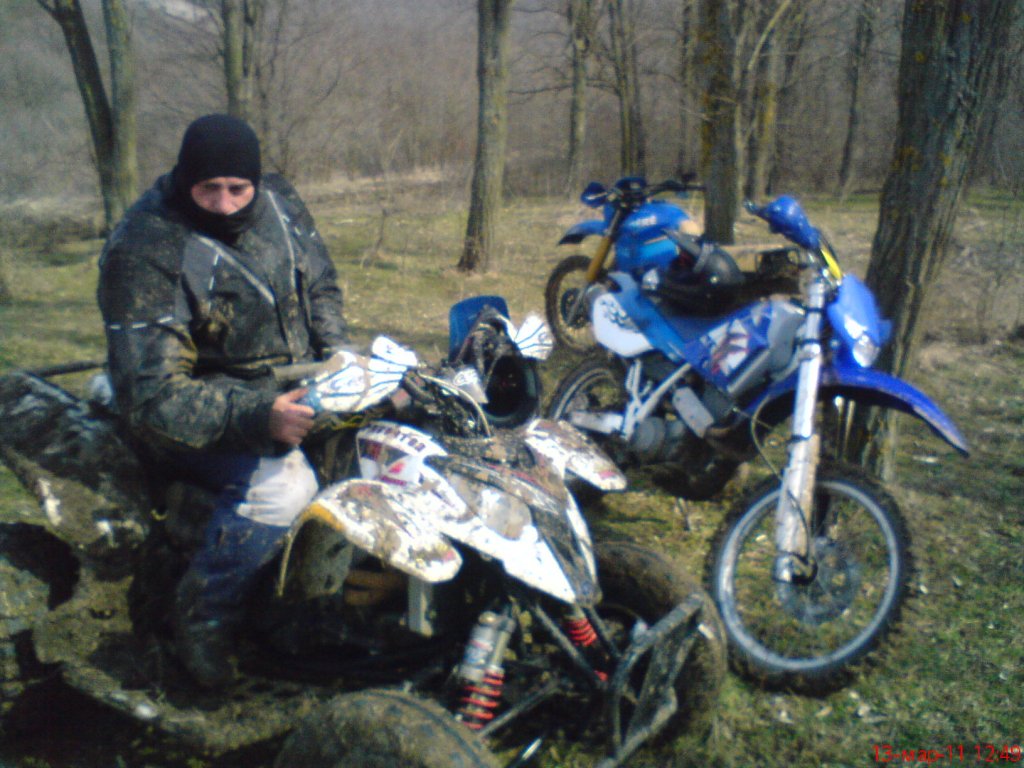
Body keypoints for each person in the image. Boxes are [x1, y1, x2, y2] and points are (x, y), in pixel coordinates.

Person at [97, 114, 349, 688]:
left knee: (378, 453)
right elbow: (151, 395)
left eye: (238, 188)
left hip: (291, 383)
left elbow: (321, 285)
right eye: (208, 188)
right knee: (284, 488)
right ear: (186, 179)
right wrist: (259, 417)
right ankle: (203, 614)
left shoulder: (279, 201)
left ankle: (315, 602)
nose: (225, 203)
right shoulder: (145, 247)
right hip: (194, 409)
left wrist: (341, 358)